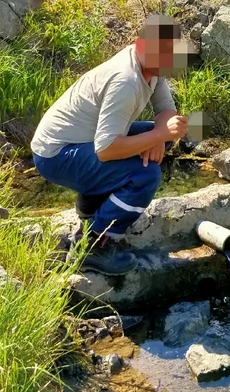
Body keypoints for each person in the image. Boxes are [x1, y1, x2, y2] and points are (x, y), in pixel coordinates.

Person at [31, 15, 190, 276]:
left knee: (154, 138)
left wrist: (160, 134)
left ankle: (90, 210)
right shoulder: (125, 81)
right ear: (141, 45)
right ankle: (93, 245)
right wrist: (158, 136)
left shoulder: (151, 67)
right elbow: (106, 151)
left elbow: (165, 111)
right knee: (145, 174)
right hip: (57, 154)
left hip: (81, 142)